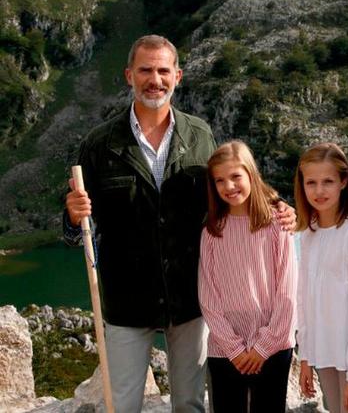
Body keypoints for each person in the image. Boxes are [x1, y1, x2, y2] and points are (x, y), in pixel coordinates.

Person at [63, 35, 294, 412]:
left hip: (190, 297)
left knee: (190, 402)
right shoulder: (99, 144)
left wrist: (277, 205)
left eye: (163, 70)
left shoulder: (199, 134)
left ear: (178, 75)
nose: (155, 79)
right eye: (145, 70)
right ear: (129, 75)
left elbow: (232, 186)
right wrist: (73, 216)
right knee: (122, 404)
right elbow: (79, 227)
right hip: (126, 299)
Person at [199, 140, 297, 413]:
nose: (229, 186)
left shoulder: (278, 224)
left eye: (235, 177)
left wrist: (263, 347)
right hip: (225, 351)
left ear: (251, 175)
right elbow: (208, 298)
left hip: (274, 348)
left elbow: (287, 292)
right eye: (220, 180)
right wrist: (234, 349)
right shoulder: (212, 232)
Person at [293, 143, 348, 413]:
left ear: (343, 181)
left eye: (328, 181)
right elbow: (304, 300)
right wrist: (306, 356)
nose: (319, 191)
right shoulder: (309, 235)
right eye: (311, 183)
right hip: (325, 353)